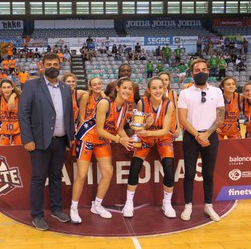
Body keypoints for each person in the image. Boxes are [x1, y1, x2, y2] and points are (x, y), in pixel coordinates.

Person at [18, 53, 75, 231]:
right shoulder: (32, 85)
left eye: (55, 64)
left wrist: (70, 137)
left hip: (60, 141)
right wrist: (27, 139)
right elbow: (23, 114)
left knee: (57, 177)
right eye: (48, 63)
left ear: (60, 66)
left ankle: (57, 209)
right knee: (38, 178)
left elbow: (69, 115)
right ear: (41, 66)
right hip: (39, 142)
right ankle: (37, 215)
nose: (52, 66)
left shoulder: (66, 88)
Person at [71, 77, 134, 223]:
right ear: (117, 88)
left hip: (103, 139)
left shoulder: (125, 107)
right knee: (81, 174)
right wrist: (119, 140)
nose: (127, 91)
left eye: (130, 89)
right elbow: (99, 130)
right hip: (87, 136)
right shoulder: (105, 103)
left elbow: (119, 129)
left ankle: (97, 205)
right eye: (124, 87)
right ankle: (74, 208)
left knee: (108, 172)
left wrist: (130, 142)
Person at [178, 58, 225, 222]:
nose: (201, 72)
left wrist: (206, 134)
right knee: (189, 174)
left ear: (208, 71)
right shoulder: (185, 93)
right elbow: (182, 119)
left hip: (210, 136)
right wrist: (198, 135)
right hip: (191, 137)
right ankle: (188, 205)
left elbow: (220, 117)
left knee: (208, 174)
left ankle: (208, 205)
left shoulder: (217, 92)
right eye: (197, 70)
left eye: (204, 69)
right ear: (192, 73)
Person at [122, 77, 175, 218]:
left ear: (164, 89)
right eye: (154, 88)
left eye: (160, 87)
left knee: (169, 168)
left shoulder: (169, 104)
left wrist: (147, 131)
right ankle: (128, 203)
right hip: (145, 137)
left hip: (162, 138)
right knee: (135, 167)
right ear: (148, 90)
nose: (158, 91)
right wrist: (145, 126)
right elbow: (135, 125)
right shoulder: (142, 103)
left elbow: (165, 131)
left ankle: (167, 203)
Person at [0, 79, 22, 146]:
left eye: (8, 87)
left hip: (18, 131)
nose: (6, 90)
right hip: (5, 132)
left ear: (12, 88)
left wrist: (13, 96)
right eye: (4, 87)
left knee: (20, 153)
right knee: (3, 154)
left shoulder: (19, 98)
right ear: (1, 89)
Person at [158, 72, 181, 138]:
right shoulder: (154, 94)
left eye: (166, 80)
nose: (164, 82)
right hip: (158, 126)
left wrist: (178, 126)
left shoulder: (173, 93)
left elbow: (176, 111)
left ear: (169, 81)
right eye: (162, 80)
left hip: (171, 126)